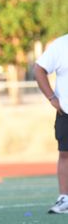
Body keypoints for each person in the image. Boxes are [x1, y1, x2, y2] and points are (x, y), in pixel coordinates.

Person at [34, 35, 68, 214]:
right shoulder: (62, 44)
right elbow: (39, 68)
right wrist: (52, 98)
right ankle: (65, 198)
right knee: (65, 154)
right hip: (66, 111)